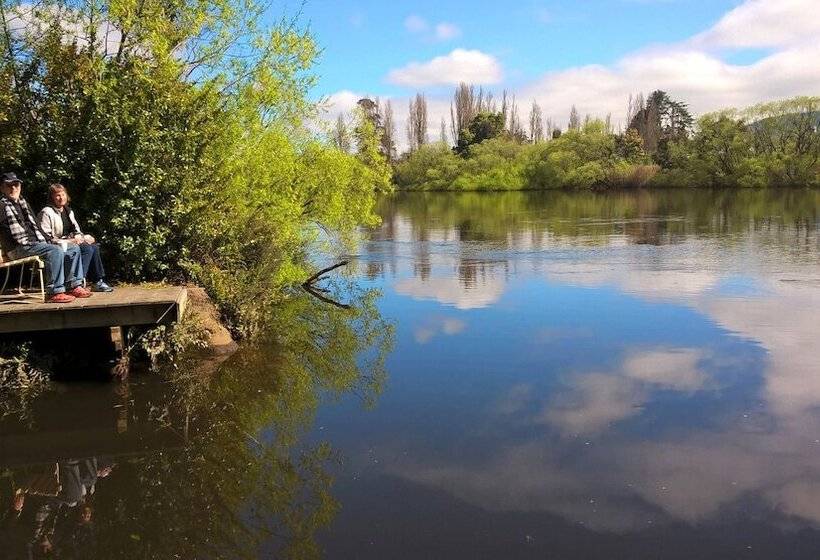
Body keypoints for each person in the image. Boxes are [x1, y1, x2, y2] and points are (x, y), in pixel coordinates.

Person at [0, 172, 91, 303]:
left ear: (20, 186)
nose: (13, 188)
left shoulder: (23, 203)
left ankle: (73, 285)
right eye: (9, 185)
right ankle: (54, 292)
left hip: (35, 243)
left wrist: (50, 241)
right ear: (2, 188)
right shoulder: (2, 206)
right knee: (55, 250)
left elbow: (37, 226)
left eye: (16, 185)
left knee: (73, 248)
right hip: (17, 247)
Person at [37, 183, 113, 292]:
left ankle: (97, 281)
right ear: (52, 197)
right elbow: (47, 238)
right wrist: (70, 240)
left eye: (63, 194)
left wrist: (84, 237)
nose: (61, 198)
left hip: (71, 242)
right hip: (57, 246)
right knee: (87, 249)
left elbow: (76, 231)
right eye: (57, 195)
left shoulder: (68, 211)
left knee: (93, 246)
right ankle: (76, 284)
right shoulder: (46, 212)